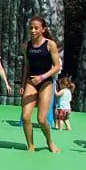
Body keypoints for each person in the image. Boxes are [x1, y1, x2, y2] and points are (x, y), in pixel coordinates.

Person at [18, 17, 61, 153]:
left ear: (43, 29)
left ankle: (50, 141)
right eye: (31, 28)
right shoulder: (26, 46)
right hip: (31, 82)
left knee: (41, 119)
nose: (33, 30)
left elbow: (57, 67)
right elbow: (26, 66)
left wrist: (42, 77)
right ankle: (30, 145)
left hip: (45, 83)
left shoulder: (50, 45)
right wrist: (23, 84)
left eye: (36, 28)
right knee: (25, 117)